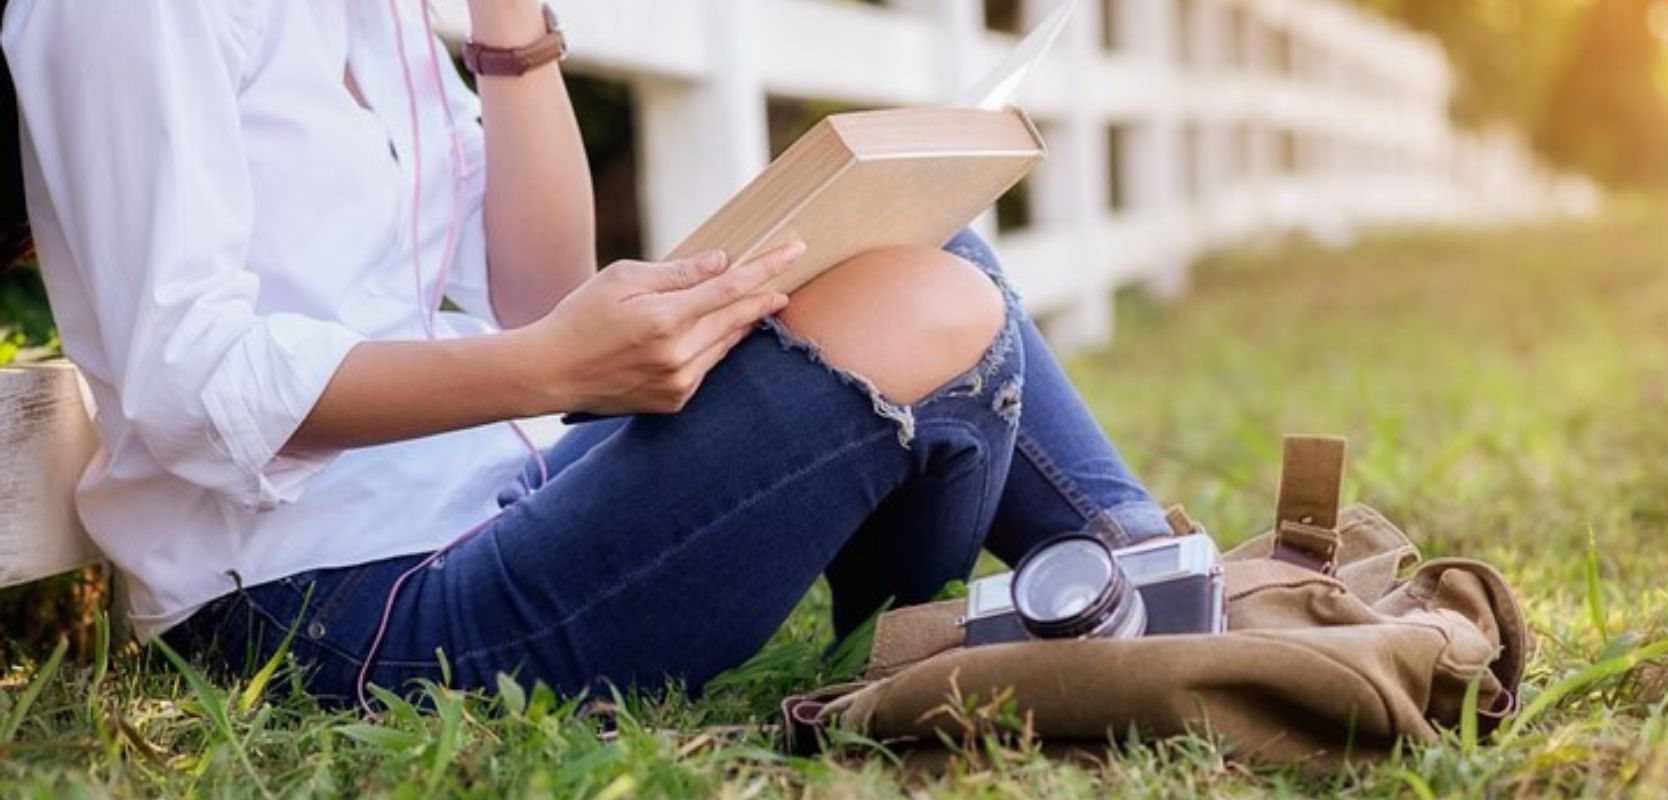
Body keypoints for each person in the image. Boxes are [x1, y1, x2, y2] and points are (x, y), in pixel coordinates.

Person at [0, 0, 1172, 704]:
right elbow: (183, 382)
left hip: (486, 489)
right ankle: (1092, 603)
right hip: (324, 593)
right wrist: (558, 370)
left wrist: (509, 31)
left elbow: (533, 287)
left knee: (922, 235)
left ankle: (1151, 571)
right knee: (931, 303)